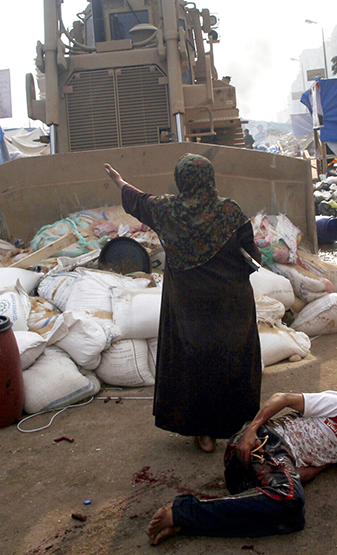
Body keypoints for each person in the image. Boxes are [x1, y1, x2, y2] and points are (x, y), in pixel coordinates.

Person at [104, 154, 262, 454]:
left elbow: (139, 200)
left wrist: (120, 182)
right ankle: (238, 425)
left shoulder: (166, 210)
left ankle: (205, 433)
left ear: (181, 179)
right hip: (232, 302)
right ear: (210, 178)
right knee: (233, 357)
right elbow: (251, 252)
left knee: (195, 363)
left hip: (190, 305)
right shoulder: (229, 210)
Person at [146, 390, 337, 545]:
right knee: (290, 497)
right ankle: (183, 510)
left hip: (251, 478)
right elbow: (282, 399)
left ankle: (188, 523)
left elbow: (300, 474)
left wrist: (315, 469)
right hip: (262, 440)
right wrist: (252, 429)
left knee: (293, 519)